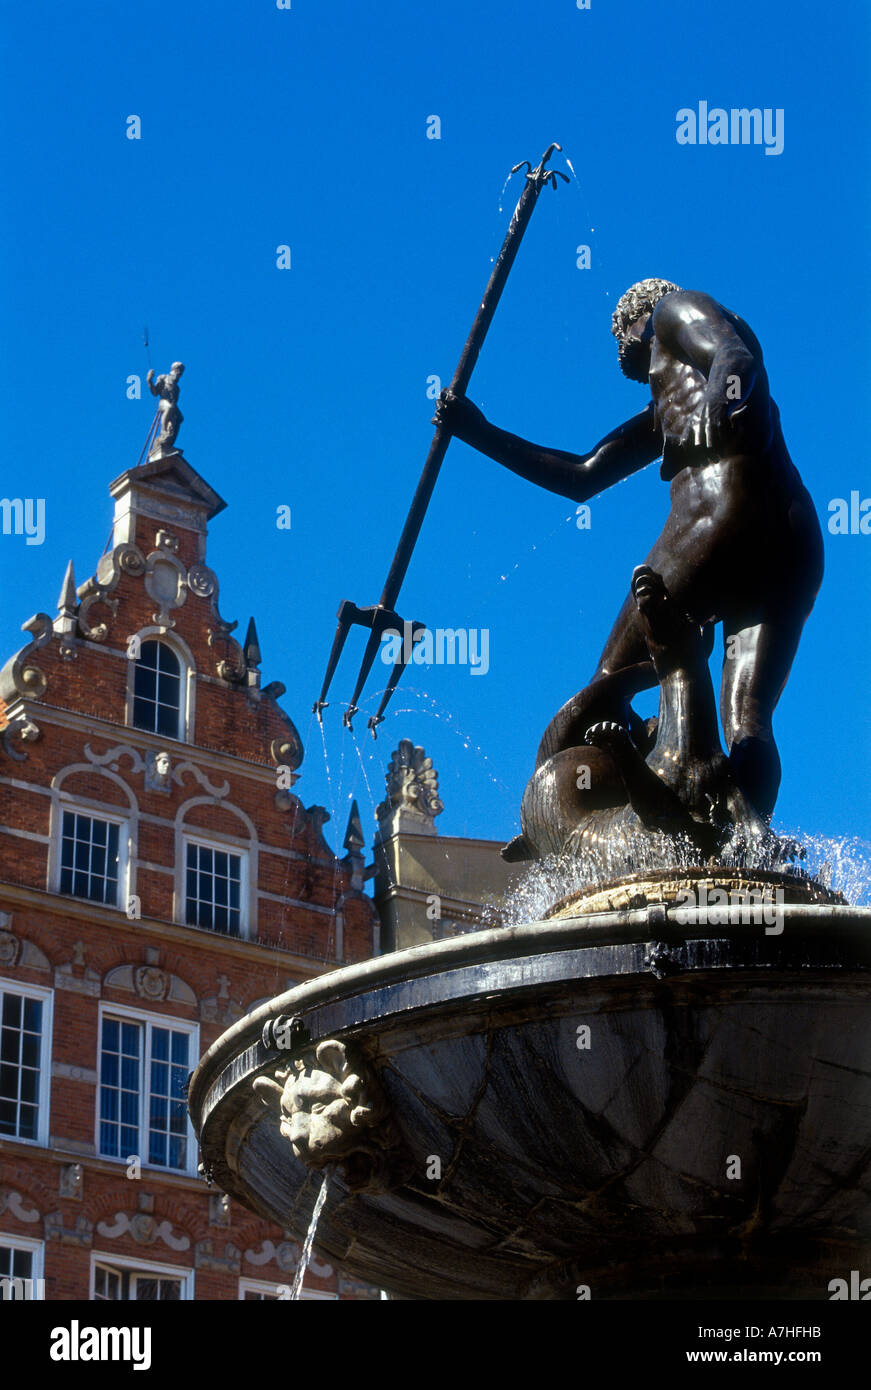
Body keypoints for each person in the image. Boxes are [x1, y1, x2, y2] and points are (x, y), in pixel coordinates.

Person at [434, 279, 823, 819]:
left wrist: (718, 397)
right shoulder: (667, 400)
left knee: (605, 682)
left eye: (623, 346)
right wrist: (477, 431)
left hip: (717, 523)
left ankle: (604, 805)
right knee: (747, 717)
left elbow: (732, 356)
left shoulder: (671, 309)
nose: (628, 364)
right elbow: (583, 474)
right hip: (790, 542)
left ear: (629, 328)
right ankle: (741, 841)